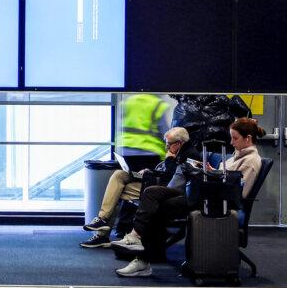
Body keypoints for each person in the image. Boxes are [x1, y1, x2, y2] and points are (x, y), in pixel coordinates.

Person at [113, 117, 265, 278]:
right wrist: (211, 170)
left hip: (213, 201)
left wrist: (214, 175)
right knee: (152, 192)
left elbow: (240, 193)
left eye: (235, 138)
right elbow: (224, 175)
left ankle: (142, 259)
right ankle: (135, 237)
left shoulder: (250, 161)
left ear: (248, 139)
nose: (232, 142)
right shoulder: (237, 155)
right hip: (204, 192)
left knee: (160, 206)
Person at [80, 127, 190, 249]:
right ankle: (102, 220)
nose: (166, 148)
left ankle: (102, 232)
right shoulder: (177, 151)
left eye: (169, 144)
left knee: (118, 190)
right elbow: (164, 172)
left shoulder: (187, 155)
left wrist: (169, 159)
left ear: (179, 143)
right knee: (119, 174)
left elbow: (172, 179)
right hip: (153, 181)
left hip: (159, 189)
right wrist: (149, 171)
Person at [116, 93, 170, 158]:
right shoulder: (157, 104)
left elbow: (119, 126)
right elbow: (165, 134)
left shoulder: (128, 101)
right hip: (149, 151)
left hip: (125, 149)